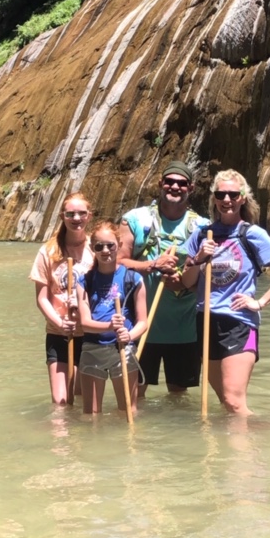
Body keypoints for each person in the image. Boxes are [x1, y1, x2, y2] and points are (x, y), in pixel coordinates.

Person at [182, 169, 270, 416]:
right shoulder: (202, 235)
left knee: (234, 403)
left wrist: (260, 302)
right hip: (206, 321)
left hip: (239, 323)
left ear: (243, 198)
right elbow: (187, 281)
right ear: (214, 198)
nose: (227, 200)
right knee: (225, 401)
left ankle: (249, 453)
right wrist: (200, 258)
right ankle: (241, 445)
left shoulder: (251, 234)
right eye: (221, 194)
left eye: (233, 195)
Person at [117, 161, 209, 396]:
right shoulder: (134, 219)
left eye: (181, 183)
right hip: (140, 326)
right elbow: (118, 262)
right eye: (169, 181)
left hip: (184, 329)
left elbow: (211, 279)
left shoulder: (203, 227)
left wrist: (186, 283)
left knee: (178, 399)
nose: (175, 187)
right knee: (135, 395)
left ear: (191, 188)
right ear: (160, 184)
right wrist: (152, 264)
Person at [29, 192, 94, 405]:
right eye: (71, 214)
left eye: (81, 213)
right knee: (61, 402)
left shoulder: (97, 248)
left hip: (89, 332)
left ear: (89, 215)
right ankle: (60, 439)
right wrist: (60, 323)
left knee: (84, 399)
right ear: (62, 216)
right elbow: (42, 298)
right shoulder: (48, 251)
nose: (76, 218)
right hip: (59, 332)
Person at [76, 221, 147, 414]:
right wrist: (109, 326)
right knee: (91, 414)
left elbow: (143, 322)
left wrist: (130, 336)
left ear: (119, 245)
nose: (105, 250)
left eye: (110, 245)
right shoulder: (84, 281)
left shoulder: (133, 279)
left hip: (122, 350)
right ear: (92, 249)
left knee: (128, 411)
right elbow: (84, 323)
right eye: (99, 246)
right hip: (92, 350)